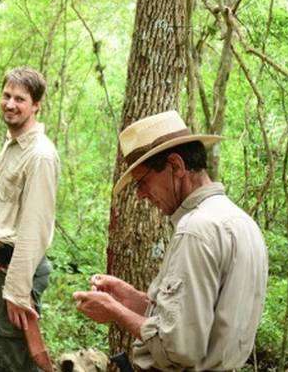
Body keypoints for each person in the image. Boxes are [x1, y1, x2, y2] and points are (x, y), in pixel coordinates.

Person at [73, 110, 269, 371]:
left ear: (176, 166)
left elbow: (178, 348)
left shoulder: (196, 229)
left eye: (142, 181)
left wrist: (114, 310)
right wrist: (131, 299)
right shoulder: (242, 222)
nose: (141, 194)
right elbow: (196, 320)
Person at [0, 67, 60, 372]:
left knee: (15, 362)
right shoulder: (11, 145)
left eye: (20, 98)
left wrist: (17, 292)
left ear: (36, 105)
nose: (10, 104)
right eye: (7, 95)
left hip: (17, 273)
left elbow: (35, 229)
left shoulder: (40, 155)